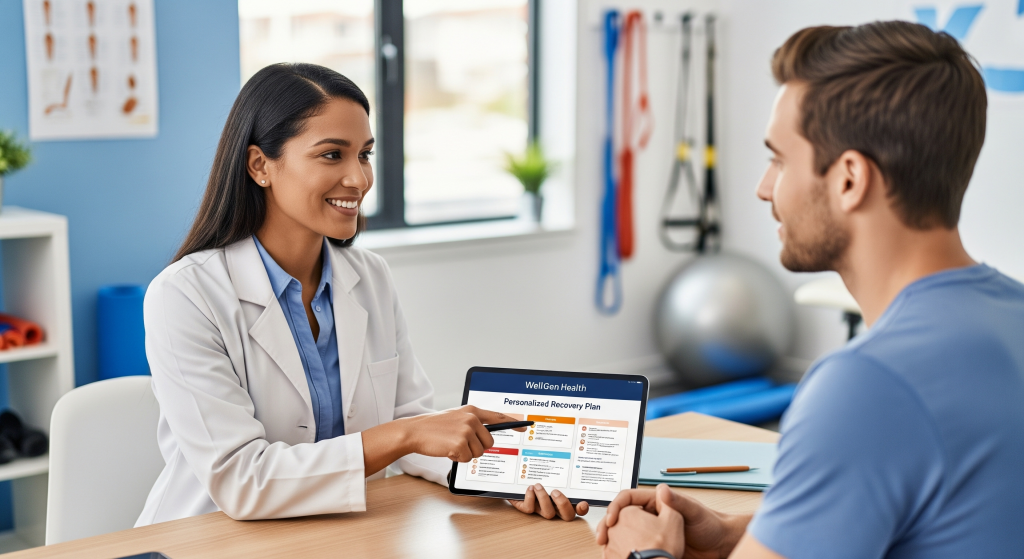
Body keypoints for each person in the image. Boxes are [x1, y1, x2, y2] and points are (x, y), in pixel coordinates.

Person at [597, 21, 1024, 559]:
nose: (764, 188)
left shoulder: (867, 385)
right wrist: (740, 534)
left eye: (779, 159)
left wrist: (649, 555)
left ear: (849, 179)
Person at [136, 63, 577, 524]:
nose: (359, 179)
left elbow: (411, 422)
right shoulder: (185, 295)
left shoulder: (369, 276)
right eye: (332, 155)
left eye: (364, 154)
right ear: (260, 165)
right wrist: (405, 434)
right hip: (210, 538)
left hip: (343, 534)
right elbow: (243, 481)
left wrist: (504, 478)